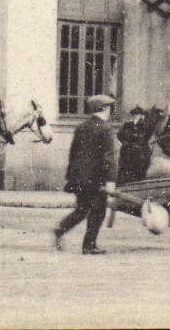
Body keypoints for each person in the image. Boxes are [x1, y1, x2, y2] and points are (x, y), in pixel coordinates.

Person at [54, 94, 117, 255]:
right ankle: (89, 245)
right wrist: (110, 180)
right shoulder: (105, 128)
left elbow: (73, 153)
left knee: (82, 209)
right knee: (99, 211)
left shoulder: (81, 127)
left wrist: (71, 176)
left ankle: (61, 228)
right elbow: (109, 157)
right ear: (104, 109)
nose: (110, 111)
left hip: (78, 177)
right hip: (96, 179)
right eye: (109, 108)